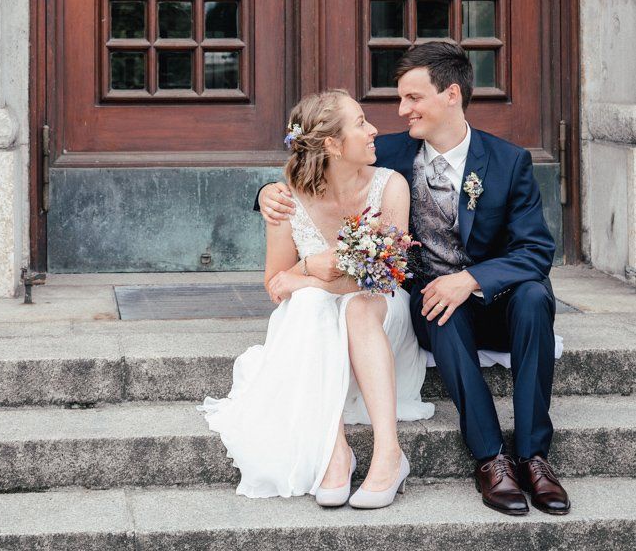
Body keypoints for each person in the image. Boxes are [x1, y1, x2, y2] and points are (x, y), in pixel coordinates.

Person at [257, 41, 570, 517]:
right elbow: (322, 166)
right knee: (435, 305)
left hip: (499, 297)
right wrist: (264, 193)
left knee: (532, 297)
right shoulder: (391, 152)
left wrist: (470, 279)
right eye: (400, 99)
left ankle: (533, 456)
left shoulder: (509, 162)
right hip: (434, 306)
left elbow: (536, 251)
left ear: (451, 95)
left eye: (412, 98)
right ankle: (491, 460)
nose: (400, 111)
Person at [200, 89, 434, 506]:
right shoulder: (286, 197)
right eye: (361, 123)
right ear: (331, 144)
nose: (373, 129)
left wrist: (309, 279)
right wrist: (311, 269)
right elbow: (277, 283)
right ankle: (334, 451)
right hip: (315, 325)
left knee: (356, 307)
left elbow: (386, 277)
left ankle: (389, 453)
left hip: (379, 314)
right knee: (309, 304)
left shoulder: (390, 185)